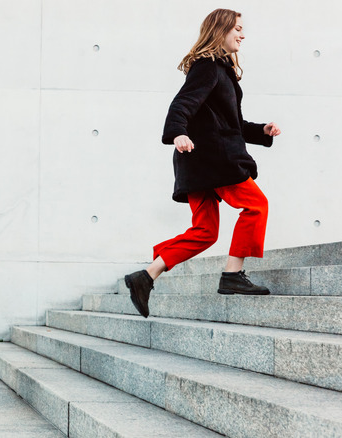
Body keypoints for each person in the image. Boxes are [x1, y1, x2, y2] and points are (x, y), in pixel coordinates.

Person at [124, 8, 282, 318]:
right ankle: (233, 275)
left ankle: (146, 276)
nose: (242, 34)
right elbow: (183, 103)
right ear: (220, 30)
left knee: (205, 231)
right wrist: (177, 133)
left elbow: (231, 123)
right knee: (256, 205)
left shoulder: (220, 70)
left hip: (199, 162)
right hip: (213, 160)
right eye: (237, 28)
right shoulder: (208, 67)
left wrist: (261, 131)